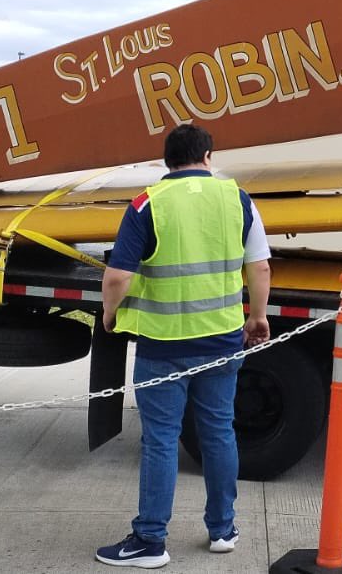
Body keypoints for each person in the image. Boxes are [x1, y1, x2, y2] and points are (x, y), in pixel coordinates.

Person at [96, 124, 272, 569]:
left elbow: (118, 276)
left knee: (160, 440)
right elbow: (261, 267)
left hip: (163, 345)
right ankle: (223, 529)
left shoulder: (147, 203)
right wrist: (257, 316)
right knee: (218, 433)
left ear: (166, 160)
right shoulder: (238, 199)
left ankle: (151, 540)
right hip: (221, 339)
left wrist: (110, 315)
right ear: (208, 155)